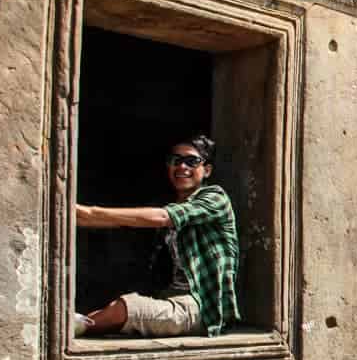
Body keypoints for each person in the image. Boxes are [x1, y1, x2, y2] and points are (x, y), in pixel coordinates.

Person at [74, 135, 240, 338]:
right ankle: (76, 326)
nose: (182, 167)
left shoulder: (215, 198)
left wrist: (90, 212)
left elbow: (161, 217)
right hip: (170, 297)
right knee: (102, 314)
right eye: (175, 160)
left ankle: (68, 331)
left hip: (202, 308)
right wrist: (78, 218)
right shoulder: (171, 203)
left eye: (192, 161)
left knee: (127, 308)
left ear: (207, 170)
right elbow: (124, 221)